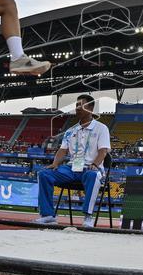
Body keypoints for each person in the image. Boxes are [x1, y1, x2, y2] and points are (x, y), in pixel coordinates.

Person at [34, 94, 111, 228]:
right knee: (44, 174)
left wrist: (94, 164)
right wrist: (55, 163)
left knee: (93, 175)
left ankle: (88, 217)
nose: (77, 108)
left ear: (91, 108)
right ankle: (48, 215)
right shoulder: (70, 130)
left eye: (81, 105)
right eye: (76, 105)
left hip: (91, 169)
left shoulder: (101, 128)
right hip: (71, 169)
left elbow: (103, 151)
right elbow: (62, 150)